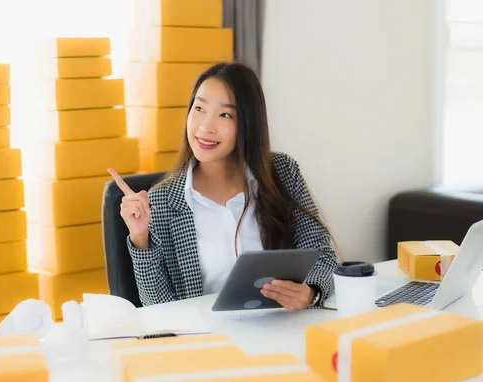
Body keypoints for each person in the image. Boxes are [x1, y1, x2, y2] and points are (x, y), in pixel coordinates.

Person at [108, 62, 338, 309]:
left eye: (225, 114)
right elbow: (158, 307)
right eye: (199, 108)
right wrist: (140, 237)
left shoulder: (281, 173)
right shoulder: (163, 199)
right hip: (208, 340)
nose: (205, 127)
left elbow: (323, 254)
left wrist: (311, 292)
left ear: (248, 125)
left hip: (282, 328)